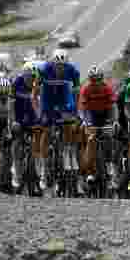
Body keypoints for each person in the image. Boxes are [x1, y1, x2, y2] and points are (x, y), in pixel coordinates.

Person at [37, 49, 82, 183]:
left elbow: (76, 94)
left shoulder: (73, 71)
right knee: (46, 130)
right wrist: (40, 111)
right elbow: (37, 90)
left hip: (63, 98)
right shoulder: (44, 70)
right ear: (53, 64)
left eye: (63, 66)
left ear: (67, 65)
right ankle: (44, 166)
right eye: (58, 66)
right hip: (47, 99)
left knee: (68, 125)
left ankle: (68, 152)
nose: (60, 69)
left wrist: (75, 111)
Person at [78, 65, 120, 189]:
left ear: (102, 79)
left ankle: (109, 164)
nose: (96, 83)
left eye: (98, 80)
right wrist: (85, 121)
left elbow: (113, 106)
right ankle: (90, 171)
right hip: (91, 115)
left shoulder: (107, 88)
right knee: (91, 139)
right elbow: (82, 108)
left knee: (109, 138)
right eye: (93, 80)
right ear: (90, 80)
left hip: (105, 114)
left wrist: (115, 121)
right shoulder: (86, 89)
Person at [11, 60, 42, 189]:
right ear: (23, 75)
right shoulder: (16, 83)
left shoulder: (38, 85)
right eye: (28, 77)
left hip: (33, 119)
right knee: (17, 145)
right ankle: (17, 174)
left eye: (33, 77)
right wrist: (13, 120)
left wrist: (42, 120)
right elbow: (11, 104)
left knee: (39, 143)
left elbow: (42, 104)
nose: (31, 79)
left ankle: (39, 174)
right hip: (18, 118)